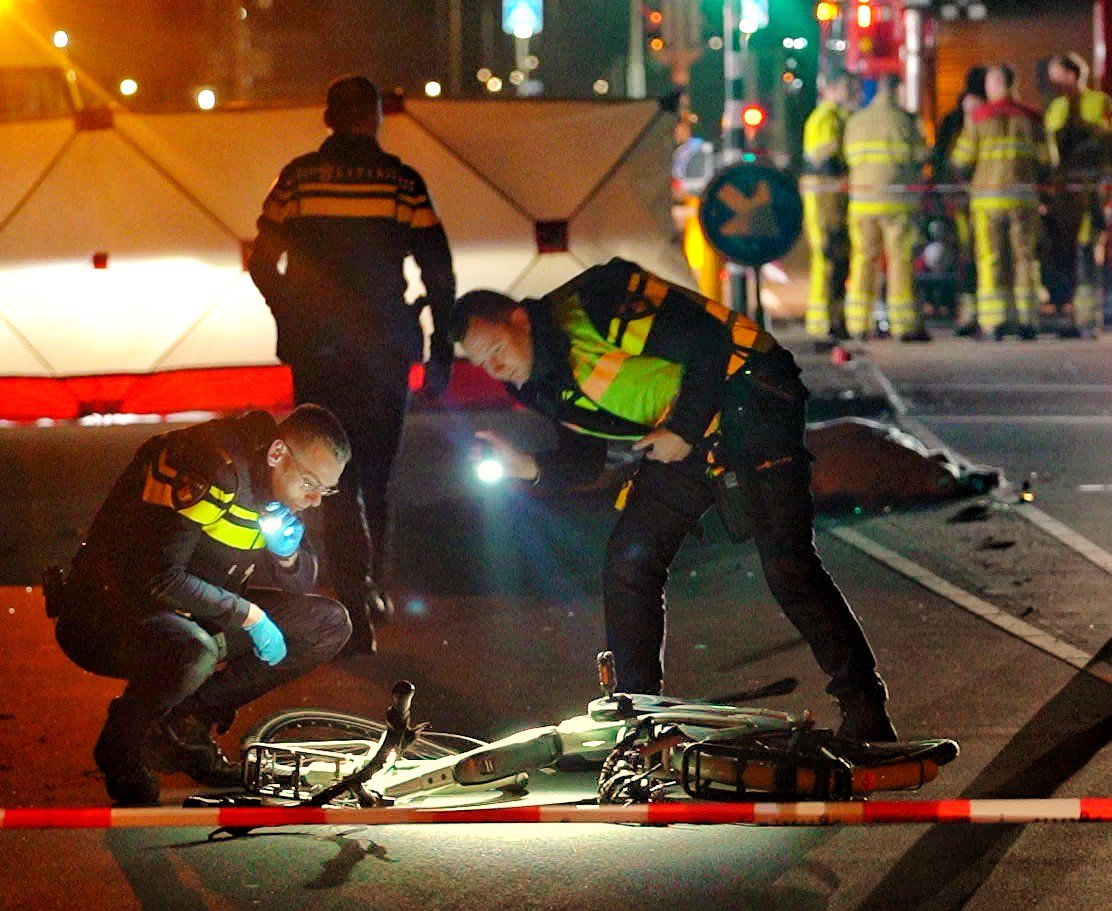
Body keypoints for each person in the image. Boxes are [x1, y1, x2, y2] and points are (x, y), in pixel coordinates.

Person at [450, 260, 897, 743]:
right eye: (481, 364)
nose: (495, 369)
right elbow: (585, 460)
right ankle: (639, 725)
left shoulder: (595, 302)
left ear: (519, 318)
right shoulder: (539, 381)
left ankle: (866, 712)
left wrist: (682, 430)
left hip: (751, 394)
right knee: (629, 562)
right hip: (686, 431)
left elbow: (707, 341)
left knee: (787, 563)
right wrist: (529, 467)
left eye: (496, 350)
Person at [51, 406, 354, 806]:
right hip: (109, 615)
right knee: (194, 651)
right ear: (278, 453)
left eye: (326, 490)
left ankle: (183, 730)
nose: (315, 501)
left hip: (195, 610)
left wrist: (288, 557)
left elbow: (302, 580)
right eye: (311, 484)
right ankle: (120, 749)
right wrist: (248, 615)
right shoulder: (210, 465)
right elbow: (156, 577)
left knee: (329, 624)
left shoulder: (281, 485)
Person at [250, 75, 457, 654]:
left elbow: (263, 262)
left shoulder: (296, 180)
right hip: (385, 351)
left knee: (326, 478)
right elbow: (437, 272)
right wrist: (441, 349)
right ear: (374, 119)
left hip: (318, 350)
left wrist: (290, 313)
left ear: (327, 119)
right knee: (374, 475)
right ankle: (368, 589)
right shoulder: (401, 183)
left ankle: (348, 598)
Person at [953, 65, 1050, 341]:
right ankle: (1027, 319)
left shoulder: (979, 117)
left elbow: (962, 160)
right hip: (1024, 200)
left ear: (995, 84)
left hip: (988, 201)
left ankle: (995, 321)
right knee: (1025, 258)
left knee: (992, 258)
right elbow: (1047, 161)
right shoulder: (1032, 118)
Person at [843, 74, 931, 342]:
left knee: (863, 262)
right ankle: (903, 325)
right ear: (896, 90)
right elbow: (920, 157)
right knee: (900, 262)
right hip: (897, 205)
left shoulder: (856, 121)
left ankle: (858, 325)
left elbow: (849, 157)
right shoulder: (906, 121)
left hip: (862, 205)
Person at [1043, 52, 1112, 338]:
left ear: (1071, 74)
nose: (1052, 81)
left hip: (1091, 194)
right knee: (1067, 256)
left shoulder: (1100, 103)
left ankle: (1088, 320)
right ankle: (1075, 317)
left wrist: (1111, 189)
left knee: (1088, 253)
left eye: (1056, 74)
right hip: (1067, 198)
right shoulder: (1056, 107)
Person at [931, 68, 989, 337]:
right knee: (981, 256)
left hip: (962, 200)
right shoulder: (985, 118)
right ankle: (980, 313)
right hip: (975, 200)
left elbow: (942, 159)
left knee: (967, 257)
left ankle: (969, 313)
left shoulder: (954, 120)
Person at [801, 73, 854, 345]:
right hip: (824, 202)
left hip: (831, 201)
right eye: (847, 88)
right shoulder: (826, 118)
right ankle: (823, 323)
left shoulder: (836, 117)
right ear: (832, 90)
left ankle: (834, 319)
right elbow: (824, 158)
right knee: (827, 258)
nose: (851, 93)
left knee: (837, 260)